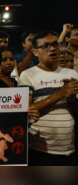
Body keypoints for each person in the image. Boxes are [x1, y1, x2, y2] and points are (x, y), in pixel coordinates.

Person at [18, 29, 78, 166]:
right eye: (45, 46)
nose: (52, 49)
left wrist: (72, 99)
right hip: (40, 148)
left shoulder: (71, 73)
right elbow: (25, 110)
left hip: (68, 147)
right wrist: (59, 94)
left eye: (55, 45)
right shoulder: (28, 75)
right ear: (35, 52)